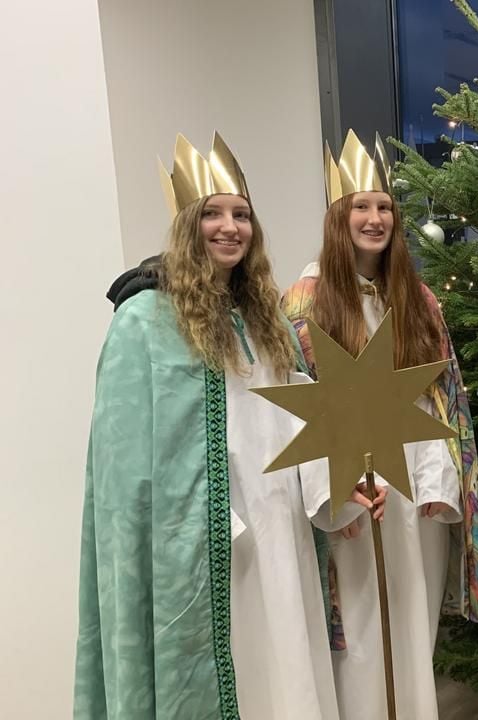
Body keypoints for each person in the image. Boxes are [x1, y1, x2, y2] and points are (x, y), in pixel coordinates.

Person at [74, 133, 385, 719]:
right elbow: (123, 474)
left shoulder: (266, 321)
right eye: (212, 214)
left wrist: (340, 489)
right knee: (234, 674)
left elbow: (300, 428)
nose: (229, 227)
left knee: (287, 671)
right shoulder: (144, 321)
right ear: (186, 225)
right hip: (211, 549)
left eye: (241, 215)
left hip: (283, 535)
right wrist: (196, 526)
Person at [281, 130, 478, 720]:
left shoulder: (417, 298)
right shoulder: (305, 301)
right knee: (360, 635)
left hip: (413, 494)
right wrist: (336, 497)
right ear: (337, 216)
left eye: (384, 207)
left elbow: (440, 401)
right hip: (354, 499)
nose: (374, 218)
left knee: (411, 621)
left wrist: (436, 485)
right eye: (361, 206)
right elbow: (295, 408)